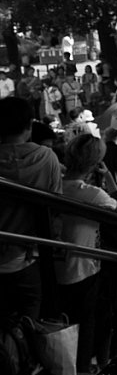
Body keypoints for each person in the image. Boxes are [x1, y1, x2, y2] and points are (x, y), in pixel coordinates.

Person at [56, 134, 117, 372]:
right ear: (96, 163)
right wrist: (108, 177)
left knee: (60, 320)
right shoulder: (94, 195)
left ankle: (61, 368)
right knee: (86, 322)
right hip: (85, 267)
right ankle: (82, 368)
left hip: (53, 263)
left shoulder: (53, 185)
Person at [0, 97, 62, 323]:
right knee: (29, 322)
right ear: (29, 126)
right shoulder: (47, 158)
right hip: (26, 256)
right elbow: (56, 204)